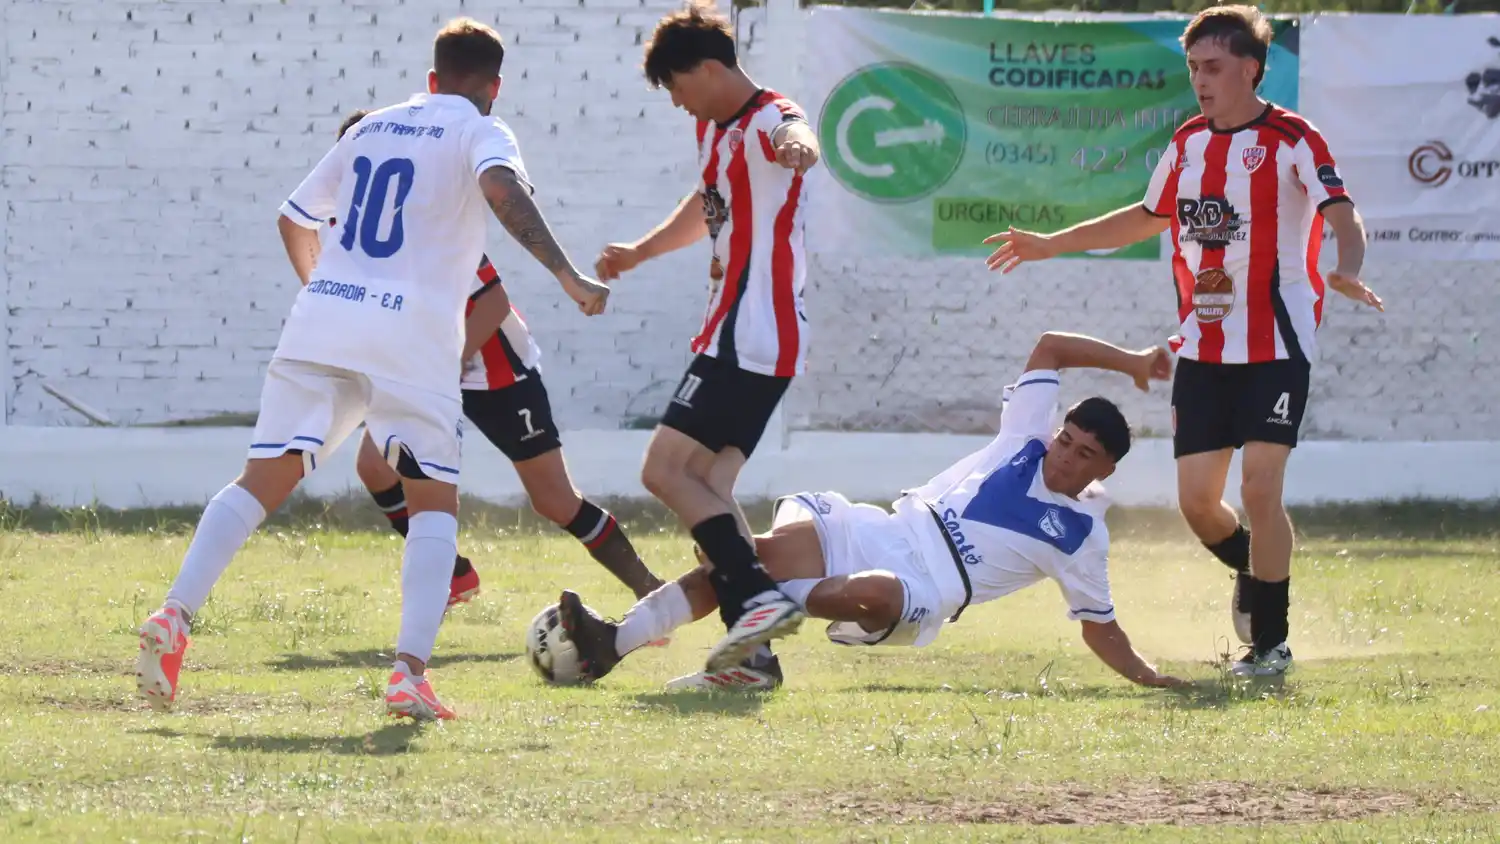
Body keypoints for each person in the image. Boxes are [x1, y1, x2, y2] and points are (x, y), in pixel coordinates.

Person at [134, 18, 609, 721]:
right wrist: (568, 274)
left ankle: (174, 615)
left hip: (324, 317)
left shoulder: (372, 127)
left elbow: (294, 219)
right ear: (493, 87)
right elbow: (504, 192)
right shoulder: (484, 130)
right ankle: (408, 674)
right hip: (411, 332)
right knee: (432, 506)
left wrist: (325, 295)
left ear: (431, 78)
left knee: (260, 479)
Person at [981, 5, 1385, 677]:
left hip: (1277, 346)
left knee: (1260, 487)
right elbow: (1145, 218)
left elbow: (1343, 215)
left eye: (1214, 67)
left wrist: (1348, 265)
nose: (1200, 79)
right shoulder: (1188, 143)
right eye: (1193, 66)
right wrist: (1052, 244)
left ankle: (1271, 645)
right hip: (1204, 348)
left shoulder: (1292, 138)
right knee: (1198, 503)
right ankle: (1257, 573)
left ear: (1250, 69)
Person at [557, 330, 1189, 692]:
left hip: (923, 588)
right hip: (882, 529)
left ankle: (751, 648)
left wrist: (1149, 677)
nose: (1066, 457)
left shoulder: (1080, 535)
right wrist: (1132, 361)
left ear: (1105, 470)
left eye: (1085, 456)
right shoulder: (1023, 437)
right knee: (743, 559)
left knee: (867, 590)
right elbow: (1050, 346)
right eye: (1066, 440)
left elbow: (1099, 625)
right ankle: (613, 644)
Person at [322, 110, 666, 610]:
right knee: (375, 467)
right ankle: (455, 576)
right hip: (429, 368)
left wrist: (449, 361)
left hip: (496, 368)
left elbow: (494, 304)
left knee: (554, 501)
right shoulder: (350, 227)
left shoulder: (429, 219)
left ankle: (650, 590)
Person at [591, 0, 822, 677]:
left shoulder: (766, 118)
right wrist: (640, 252)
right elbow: (707, 206)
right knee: (711, 493)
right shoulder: (716, 132)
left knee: (664, 472)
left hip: (749, 327)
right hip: (754, 331)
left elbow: (796, 130)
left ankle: (758, 601)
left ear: (711, 68)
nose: (679, 105)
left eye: (680, 88)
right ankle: (753, 659)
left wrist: (799, 146)